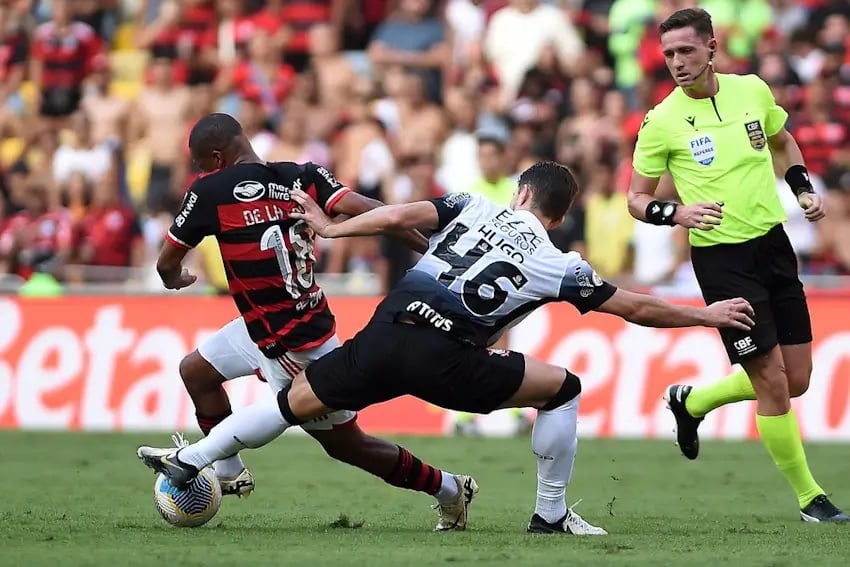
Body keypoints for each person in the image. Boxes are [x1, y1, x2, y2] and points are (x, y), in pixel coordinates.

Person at [138, 160, 755, 534]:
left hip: (385, 334)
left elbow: (392, 215)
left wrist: (330, 227)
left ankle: (194, 461)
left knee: (288, 403)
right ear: (558, 216)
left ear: (519, 193)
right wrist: (706, 315)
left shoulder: (469, 205)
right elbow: (634, 308)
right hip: (452, 362)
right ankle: (549, 516)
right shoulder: (558, 261)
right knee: (563, 388)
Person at [137, 113, 477, 532]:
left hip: (298, 344)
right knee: (197, 371)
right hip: (264, 327)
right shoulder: (302, 176)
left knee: (349, 446)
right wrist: (427, 248)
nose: (198, 172)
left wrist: (176, 279)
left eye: (200, 164)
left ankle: (449, 488)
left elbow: (167, 262)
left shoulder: (210, 190)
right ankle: (227, 471)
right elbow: (374, 211)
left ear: (216, 157)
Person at [627, 8, 848, 522]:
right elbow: (635, 199)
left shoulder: (752, 90)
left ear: (711, 47)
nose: (677, 63)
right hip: (721, 261)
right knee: (772, 385)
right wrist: (677, 212)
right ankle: (810, 499)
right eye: (669, 55)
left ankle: (693, 402)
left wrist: (803, 188)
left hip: (773, 246)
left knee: (796, 379)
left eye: (686, 51)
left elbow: (783, 141)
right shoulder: (661, 122)